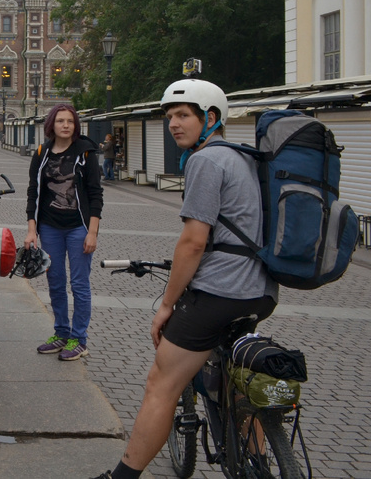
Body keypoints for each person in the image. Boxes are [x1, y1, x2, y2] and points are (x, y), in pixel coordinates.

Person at [88, 79, 277, 479]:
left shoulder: (205, 161)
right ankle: (259, 464)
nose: (174, 124)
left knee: (161, 382)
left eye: (183, 115)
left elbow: (193, 243)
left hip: (220, 291)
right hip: (259, 291)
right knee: (239, 381)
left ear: (210, 118)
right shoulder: (244, 158)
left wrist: (168, 304)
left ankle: (121, 477)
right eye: (170, 116)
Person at [25, 103, 103, 361]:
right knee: (55, 282)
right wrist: (31, 229)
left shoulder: (86, 152)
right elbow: (33, 192)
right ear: (52, 124)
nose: (66, 125)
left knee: (79, 284)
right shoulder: (42, 153)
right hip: (50, 227)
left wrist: (92, 232)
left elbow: (95, 194)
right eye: (60, 121)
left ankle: (79, 339)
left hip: (78, 228)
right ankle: (61, 333)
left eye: (70, 121)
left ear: (75, 125)